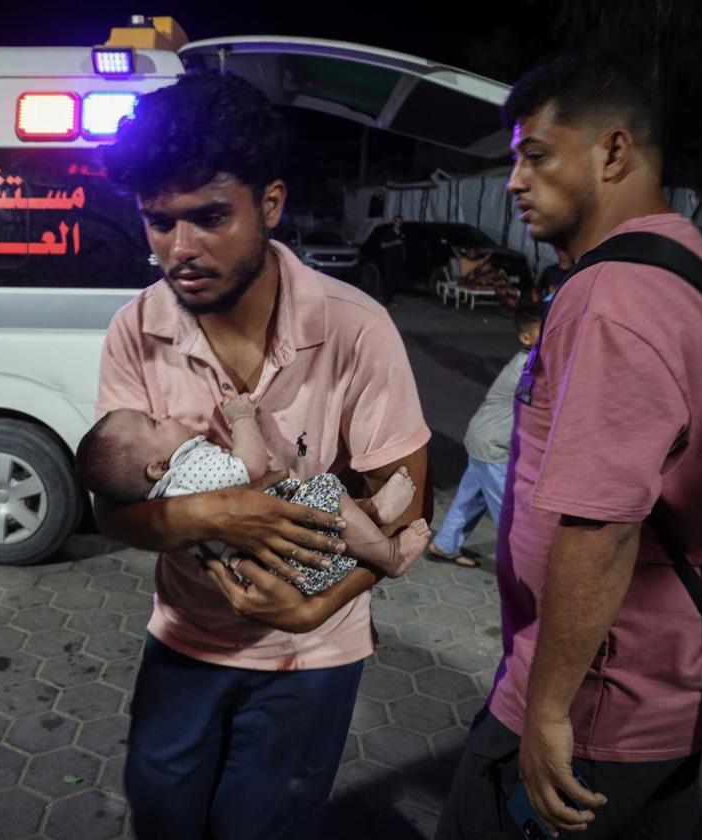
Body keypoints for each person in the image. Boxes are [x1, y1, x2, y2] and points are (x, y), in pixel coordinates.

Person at [93, 71, 432, 840]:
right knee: (162, 814)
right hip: (183, 636)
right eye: (158, 222)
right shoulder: (133, 329)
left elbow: (410, 491)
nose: (180, 249)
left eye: (209, 217)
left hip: (314, 652)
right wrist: (217, 513)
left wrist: (315, 604)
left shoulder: (355, 326)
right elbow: (112, 511)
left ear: (270, 204)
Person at [437, 51, 702, 839]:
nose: (514, 182)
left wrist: (545, 714)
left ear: (612, 151)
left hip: (595, 699)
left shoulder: (611, 297)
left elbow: (602, 527)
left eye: (535, 155)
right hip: (675, 678)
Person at [76, 397, 432, 594]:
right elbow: (251, 467)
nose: (162, 412)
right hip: (302, 561)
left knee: (305, 495)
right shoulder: (190, 469)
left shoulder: (165, 494)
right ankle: (391, 555)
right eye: (153, 422)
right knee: (324, 489)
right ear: (156, 467)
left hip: (279, 574)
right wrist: (242, 418)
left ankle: (368, 511)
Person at [427, 303, 541, 569]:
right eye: (544, 332)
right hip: (492, 446)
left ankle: (445, 545)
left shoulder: (530, 362)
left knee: (471, 498)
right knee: (509, 512)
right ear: (526, 338)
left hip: (482, 438)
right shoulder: (527, 368)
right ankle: (521, 570)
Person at [381, 213, 406, 304]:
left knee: (394, 279)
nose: (399, 223)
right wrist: (394, 242)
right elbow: (382, 245)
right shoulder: (389, 232)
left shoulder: (402, 233)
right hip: (389, 260)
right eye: (397, 221)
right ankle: (385, 298)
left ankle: (391, 299)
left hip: (397, 260)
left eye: (400, 222)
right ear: (394, 222)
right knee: (388, 278)